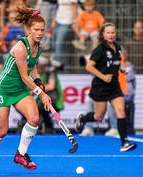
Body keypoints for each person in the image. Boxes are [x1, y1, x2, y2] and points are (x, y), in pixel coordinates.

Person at [0, 6, 51, 174]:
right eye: (36, 30)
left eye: (42, 30)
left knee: (34, 118)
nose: (40, 33)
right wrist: (41, 94)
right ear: (29, 30)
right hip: (2, 89)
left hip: (20, 90)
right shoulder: (20, 47)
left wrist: (38, 81)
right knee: (2, 131)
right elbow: (23, 76)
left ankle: (21, 154)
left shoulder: (38, 46)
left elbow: (32, 67)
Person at [75, 22, 137, 152]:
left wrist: (121, 69)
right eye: (108, 33)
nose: (111, 35)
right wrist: (103, 76)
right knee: (98, 116)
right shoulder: (99, 49)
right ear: (103, 34)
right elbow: (89, 67)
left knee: (121, 111)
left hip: (114, 86)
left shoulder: (118, 47)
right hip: (101, 87)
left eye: (113, 32)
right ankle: (83, 118)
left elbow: (115, 63)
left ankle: (124, 142)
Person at [36, 55, 64, 133]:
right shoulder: (39, 75)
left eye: (38, 66)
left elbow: (51, 86)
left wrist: (36, 90)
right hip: (44, 100)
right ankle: (47, 127)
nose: (37, 68)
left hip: (55, 100)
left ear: (43, 65)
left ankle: (48, 127)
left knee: (39, 108)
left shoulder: (50, 72)